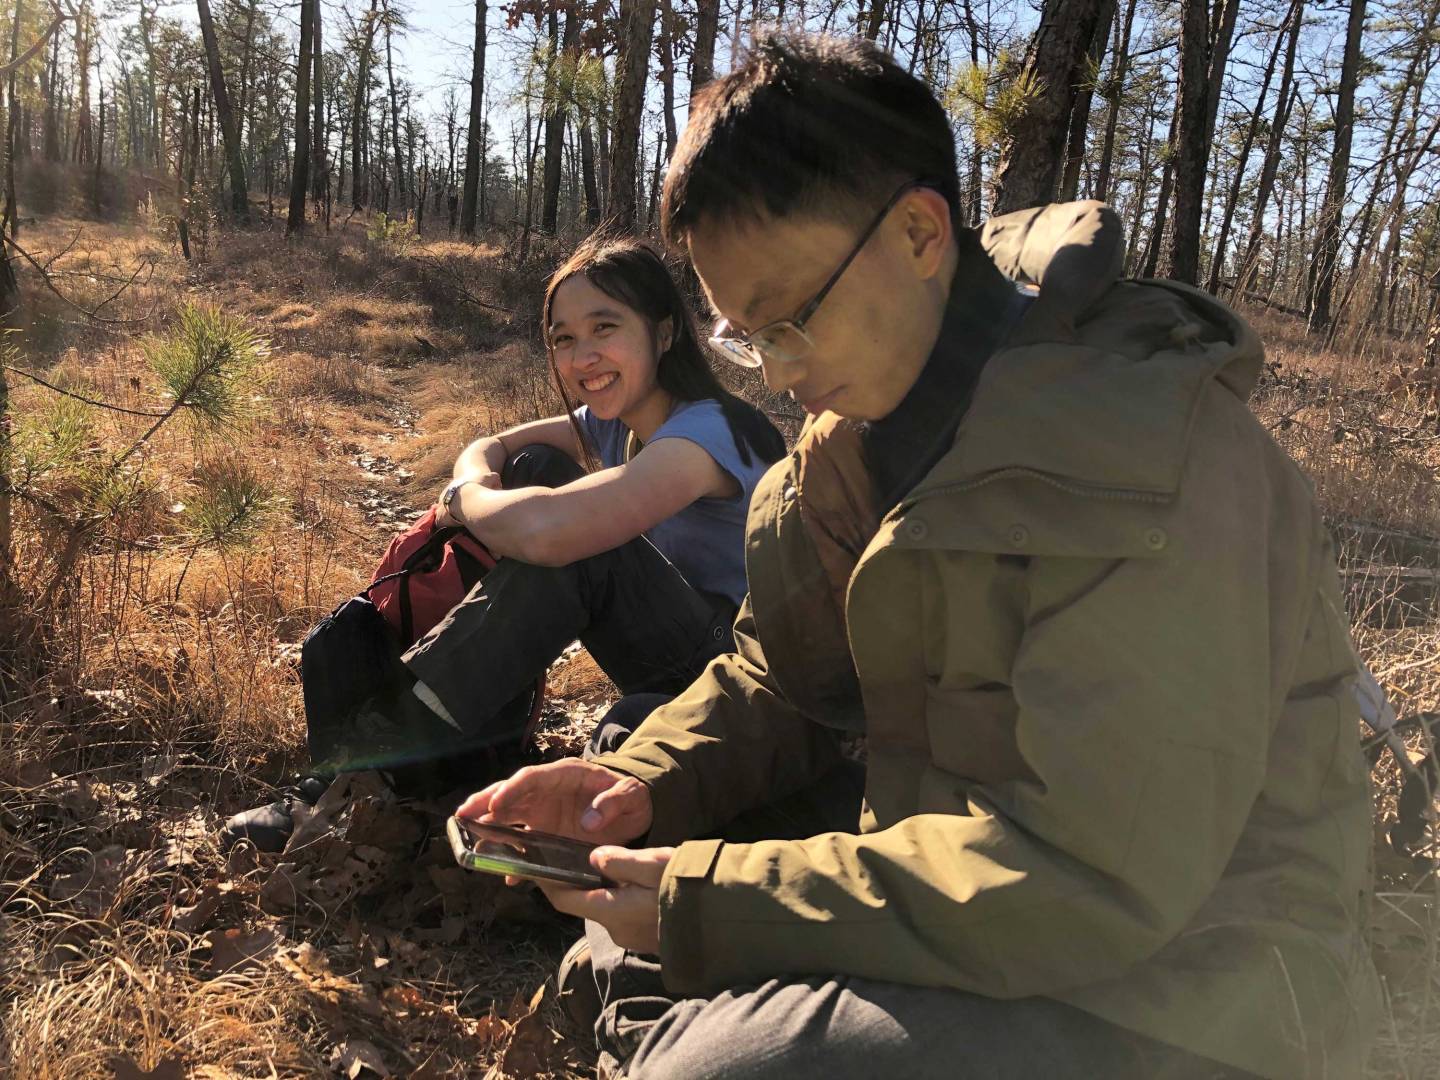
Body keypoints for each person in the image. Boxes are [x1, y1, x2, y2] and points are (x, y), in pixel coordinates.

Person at [457, 29, 1381, 1080]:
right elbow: (783, 680)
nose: (777, 371)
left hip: (1193, 990)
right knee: (640, 911)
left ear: (918, 232)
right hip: (968, 879)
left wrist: (710, 903)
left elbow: (1091, 878)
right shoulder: (850, 439)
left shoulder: (1155, 469)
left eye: (792, 320)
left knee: (709, 1053)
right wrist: (633, 787)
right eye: (744, 338)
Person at [224, 236, 785, 852]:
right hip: (673, 659)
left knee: (578, 546)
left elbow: (550, 532)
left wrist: (464, 504)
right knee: (537, 466)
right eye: (564, 338)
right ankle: (466, 738)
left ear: (665, 330)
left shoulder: (711, 432)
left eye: (605, 327)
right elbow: (491, 447)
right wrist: (475, 481)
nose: (583, 356)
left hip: (738, 679)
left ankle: (365, 775)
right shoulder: (614, 421)